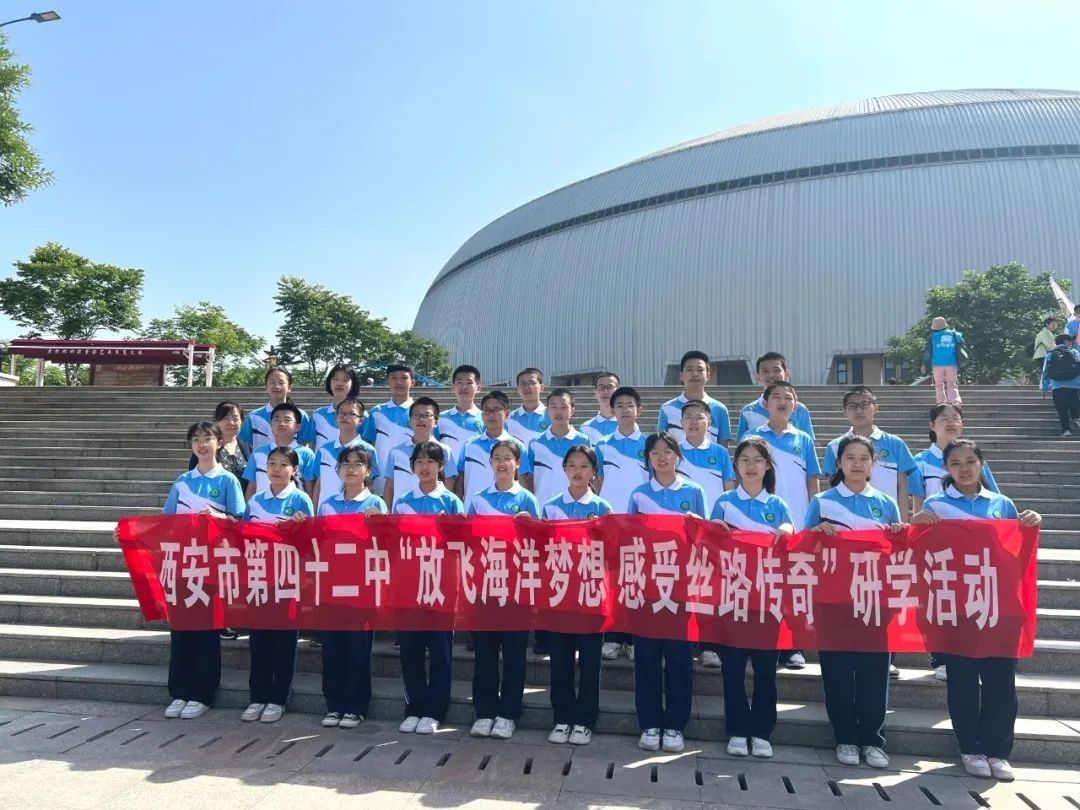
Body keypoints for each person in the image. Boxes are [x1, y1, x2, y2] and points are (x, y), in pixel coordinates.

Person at [910, 439, 1041, 783]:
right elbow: (919, 555)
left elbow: (1016, 553)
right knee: (963, 683)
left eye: (970, 461)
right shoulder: (936, 505)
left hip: (997, 607)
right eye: (955, 463)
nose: (964, 469)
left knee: (1001, 684)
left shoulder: (1002, 504)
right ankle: (970, 747)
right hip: (957, 608)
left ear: (981, 464)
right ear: (946, 469)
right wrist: (916, 526)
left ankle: (998, 751)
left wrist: (1031, 524)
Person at [805, 436, 904, 770]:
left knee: (874, 674)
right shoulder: (822, 501)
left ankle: (873, 740)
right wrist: (816, 534)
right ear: (839, 463)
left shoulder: (886, 503)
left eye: (864, 458)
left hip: (875, 600)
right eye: (850, 457)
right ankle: (845, 737)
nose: (857, 464)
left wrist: (899, 534)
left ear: (873, 463)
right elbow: (803, 550)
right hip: (833, 601)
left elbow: (897, 552)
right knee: (837, 673)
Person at [710, 436, 794, 758]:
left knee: (765, 670)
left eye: (757, 460)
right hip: (732, 597)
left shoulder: (779, 507)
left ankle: (761, 731)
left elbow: (790, 554)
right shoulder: (724, 502)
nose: (751, 466)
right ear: (735, 466)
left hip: (767, 601)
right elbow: (711, 550)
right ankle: (736, 729)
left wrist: (788, 533)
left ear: (767, 466)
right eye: (744, 459)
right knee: (732, 669)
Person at [628, 432, 706, 754]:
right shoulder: (639, 494)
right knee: (646, 658)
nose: (662, 458)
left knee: (679, 659)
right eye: (655, 453)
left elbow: (704, 540)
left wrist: (697, 527)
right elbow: (629, 539)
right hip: (648, 587)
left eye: (668, 452)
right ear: (648, 459)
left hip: (681, 587)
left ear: (678, 456)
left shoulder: (694, 491)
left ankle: (674, 725)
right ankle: (649, 723)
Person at [161, 421, 245, 720]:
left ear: (219, 443)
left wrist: (218, 516)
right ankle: (180, 691)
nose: (201, 444)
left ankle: (203, 693)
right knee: (181, 629)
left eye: (207, 438)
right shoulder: (183, 481)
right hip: (184, 561)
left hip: (212, 563)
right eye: (196, 439)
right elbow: (165, 521)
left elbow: (240, 520)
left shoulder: (227, 480)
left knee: (207, 631)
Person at [465, 440, 540, 741]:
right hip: (484, 586)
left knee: (513, 655)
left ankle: (508, 714)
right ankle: (484, 712)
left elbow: (538, 545)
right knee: (484, 654)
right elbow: (467, 539)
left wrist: (530, 526)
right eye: (496, 457)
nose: (501, 463)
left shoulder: (527, 499)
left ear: (518, 463)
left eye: (507, 458)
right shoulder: (478, 499)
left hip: (516, 588)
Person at [542, 445, 612, 747]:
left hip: (591, 595)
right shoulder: (550, 507)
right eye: (572, 465)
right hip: (560, 594)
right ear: (564, 469)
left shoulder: (603, 508)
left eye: (584, 466)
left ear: (593, 471)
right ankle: (562, 718)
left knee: (590, 661)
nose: (578, 471)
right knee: (560, 660)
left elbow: (610, 553)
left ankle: (584, 720)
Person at [393, 441, 465, 735]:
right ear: (412, 467)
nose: (425, 467)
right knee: (410, 650)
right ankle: (414, 707)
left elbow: (460, 545)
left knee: (440, 652)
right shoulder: (402, 502)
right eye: (419, 461)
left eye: (430, 461)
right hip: (409, 587)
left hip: (440, 587)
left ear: (441, 466)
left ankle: (435, 710)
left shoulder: (451, 502)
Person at [314, 446, 386, 728]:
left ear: (368, 471)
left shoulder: (375, 504)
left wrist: (378, 523)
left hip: (361, 588)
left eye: (358, 464)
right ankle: (334, 705)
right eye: (346, 464)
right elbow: (318, 541)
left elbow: (384, 545)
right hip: (332, 586)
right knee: (332, 650)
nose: (351, 469)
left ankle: (356, 707)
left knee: (358, 650)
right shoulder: (327, 504)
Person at [241, 446, 314, 723]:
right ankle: (257, 696)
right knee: (259, 641)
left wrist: (300, 527)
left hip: (288, 580)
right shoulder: (255, 501)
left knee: (284, 642)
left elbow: (311, 543)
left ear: (294, 470)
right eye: (272, 463)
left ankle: (278, 697)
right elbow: (242, 537)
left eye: (283, 464)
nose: (276, 469)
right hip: (259, 578)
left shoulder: (300, 499)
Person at [675, 399, 736, 669]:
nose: (693, 421)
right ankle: (686, 642)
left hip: (713, 529)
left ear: (709, 423)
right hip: (682, 531)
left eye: (699, 417)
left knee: (711, 589)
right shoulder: (673, 451)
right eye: (687, 416)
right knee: (684, 588)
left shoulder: (720, 453)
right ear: (680, 422)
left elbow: (729, 488)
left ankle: (710, 646)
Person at [594, 386, 649, 661]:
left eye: (630, 405)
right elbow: (598, 482)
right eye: (619, 405)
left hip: (642, 521)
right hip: (613, 522)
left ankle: (636, 637)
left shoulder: (650, 444)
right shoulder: (602, 445)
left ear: (639, 409)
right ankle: (614, 638)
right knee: (614, 581)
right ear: (612, 410)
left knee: (639, 580)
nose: (625, 409)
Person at [823, 387, 917, 521]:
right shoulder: (834, 446)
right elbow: (833, 486)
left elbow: (902, 488)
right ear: (845, 412)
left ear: (875, 408)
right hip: (847, 521)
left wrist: (902, 523)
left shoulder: (895, 444)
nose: (859, 410)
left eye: (864, 404)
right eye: (852, 406)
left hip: (887, 521)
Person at [522, 388, 591, 506]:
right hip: (542, 507)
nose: (558, 412)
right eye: (554, 407)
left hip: (573, 508)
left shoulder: (582, 440)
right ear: (547, 411)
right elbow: (528, 478)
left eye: (563, 407)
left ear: (572, 410)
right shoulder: (535, 443)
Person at [385, 397, 456, 508]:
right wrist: (387, 512)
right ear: (410, 421)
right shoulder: (396, 452)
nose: (421, 419)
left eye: (427, 415)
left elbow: (449, 484)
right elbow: (389, 487)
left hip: (434, 512)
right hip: (402, 511)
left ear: (436, 422)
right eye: (417, 415)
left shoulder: (444, 450)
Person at [311, 397, 379, 509]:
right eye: (341, 413)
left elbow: (370, 483)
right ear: (336, 417)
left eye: (351, 414)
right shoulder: (323, 450)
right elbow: (318, 483)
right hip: (327, 510)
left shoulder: (368, 450)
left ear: (361, 420)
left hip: (356, 511)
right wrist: (314, 510)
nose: (345, 417)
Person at [456, 391, 525, 501]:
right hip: (474, 507)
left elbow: (524, 479)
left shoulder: (518, 446)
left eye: (496, 410)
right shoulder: (469, 445)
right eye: (487, 410)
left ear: (507, 414)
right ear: (482, 414)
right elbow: (460, 478)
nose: (491, 415)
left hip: (506, 508)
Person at [242, 402, 318, 499]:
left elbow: (309, 489)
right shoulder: (258, 452)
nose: (281, 424)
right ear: (271, 425)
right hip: (261, 507)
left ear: (298, 427)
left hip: (293, 508)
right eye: (276, 420)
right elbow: (252, 486)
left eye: (287, 420)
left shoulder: (306, 454)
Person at [361, 362, 415, 495]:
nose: (399, 382)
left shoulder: (420, 412)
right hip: (380, 480)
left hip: (413, 480)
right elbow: (367, 447)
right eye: (394, 378)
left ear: (412, 382)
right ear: (387, 382)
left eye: (404, 378)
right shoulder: (377, 412)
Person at [736, 352, 816, 440]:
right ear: (758, 377)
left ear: (786, 374)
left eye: (776, 370)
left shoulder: (799, 409)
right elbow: (741, 445)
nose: (771, 375)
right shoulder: (748, 411)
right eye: (765, 371)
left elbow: (808, 443)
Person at [657, 350, 731, 446]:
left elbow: (723, 446)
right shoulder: (667, 408)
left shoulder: (720, 409)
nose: (695, 374)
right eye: (689, 370)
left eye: (700, 370)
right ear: (681, 375)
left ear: (708, 375)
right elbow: (662, 444)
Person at [239, 367, 312, 451]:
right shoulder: (253, 417)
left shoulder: (300, 415)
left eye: (281, 383)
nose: (276, 386)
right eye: (272, 382)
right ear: (266, 387)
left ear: (289, 387)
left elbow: (304, 444)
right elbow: (244, 444)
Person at [187, 400, 251, 488]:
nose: (231, 423)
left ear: (242, 421)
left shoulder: (248, 449)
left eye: (235, 419)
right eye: (225, 418)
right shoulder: (206, 449)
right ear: (216, 421)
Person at [303, 364, 361, 452]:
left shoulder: (361, 416)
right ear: (329, 383)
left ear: (353, 384)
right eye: (335, 379)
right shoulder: (318, 415)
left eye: (345, 380)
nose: (339, 383)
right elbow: (312, 446)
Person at [437, 364, 484, 464]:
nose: (464, 387)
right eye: (459, 382)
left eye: (469, 382)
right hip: (448, 472)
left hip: (475, 471)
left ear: (478, 388)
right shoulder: (440, 419)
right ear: (453, 387)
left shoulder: (485, 418)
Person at [1040, 334, 1080, 437]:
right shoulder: (1074, 352)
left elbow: (1045, 372)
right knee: (1074, 404)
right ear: (1066, 342)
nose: (1071, 343)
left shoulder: (1050, 355)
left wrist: (1044, 388)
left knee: (1062, 409)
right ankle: (1076, 418)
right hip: (1074, 385)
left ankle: (1066, 430)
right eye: (1070, 341)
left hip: (1057, 386)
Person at [921, 316, 965, 405]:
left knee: (938, 384)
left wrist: (924, 364)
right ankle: (954, 401)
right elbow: (961, 343)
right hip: (951, 363)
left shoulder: (932, 337)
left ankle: (941, 401)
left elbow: (928, 352)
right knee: (952, 383)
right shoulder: (954, 334)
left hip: (937, 364)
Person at [506, 367, 550, 444]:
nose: (527, 387)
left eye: (532, 383)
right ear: (518, 389)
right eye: (523, 384)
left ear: (542, 387)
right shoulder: (509, 418)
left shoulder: (551, 416)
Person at [580, 371, 620, 444]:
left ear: (618, 391)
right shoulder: (585, 428)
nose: (605, 391)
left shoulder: (628, 426)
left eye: (610, 387)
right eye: (601, 387)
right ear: (595, 393)